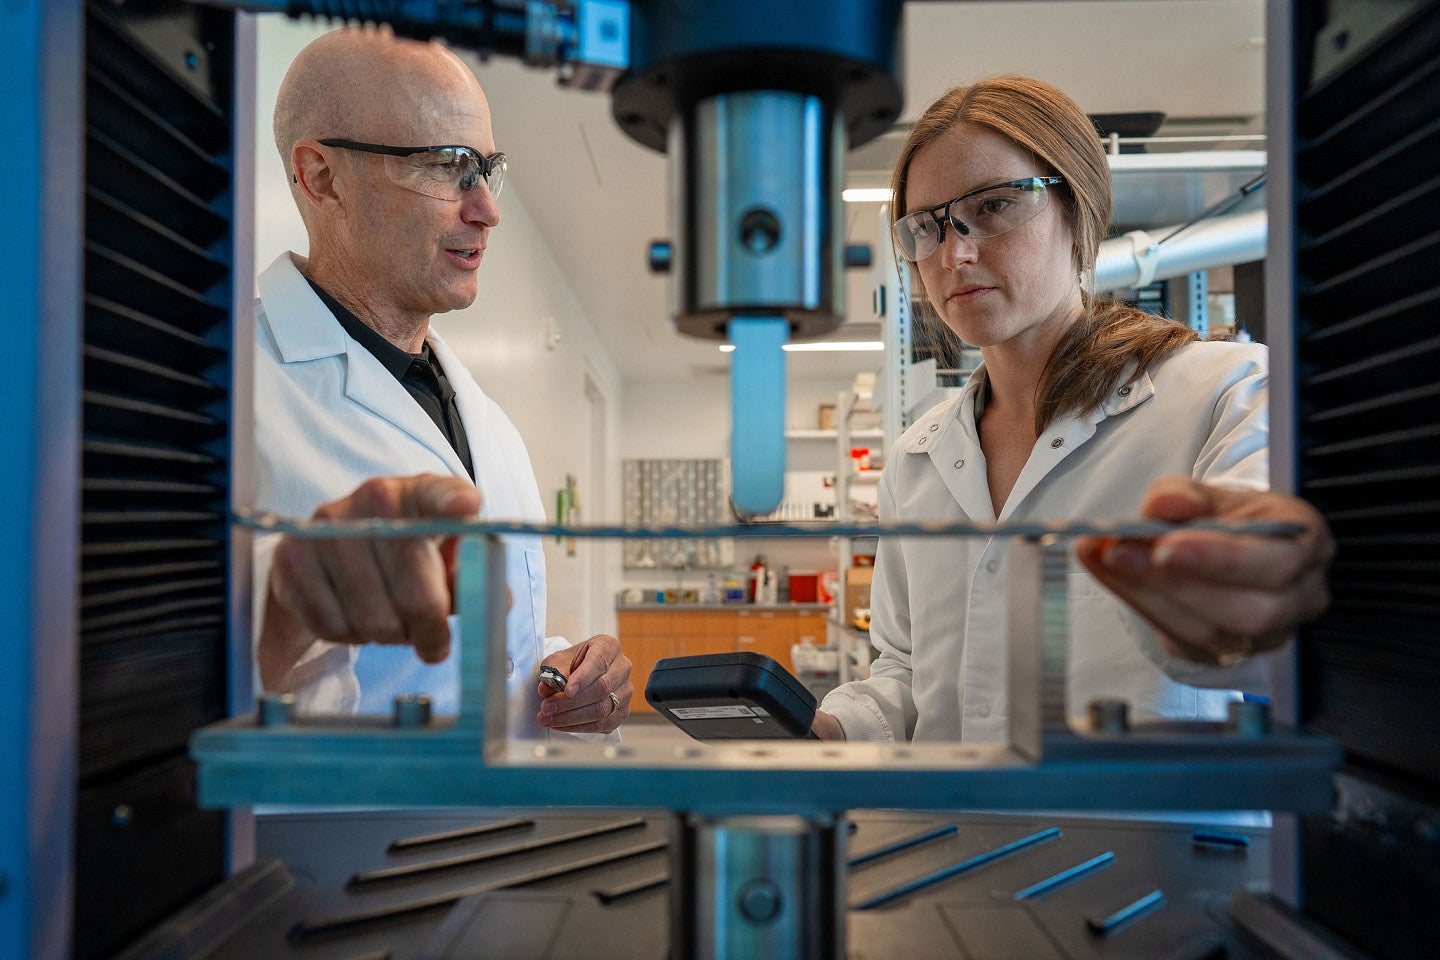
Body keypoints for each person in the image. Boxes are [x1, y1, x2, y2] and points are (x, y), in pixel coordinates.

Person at [813, 76, 1334, 742]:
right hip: (958, 838)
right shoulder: (918, 459)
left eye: (995, 206)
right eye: (926, 226)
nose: (955, 254)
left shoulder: (1225, 393)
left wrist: (1244, 592)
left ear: (1078, 210)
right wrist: (828, 732)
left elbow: (1284, 635)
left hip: (1154, 840)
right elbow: (906, 671)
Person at [253, 26, 631, 736]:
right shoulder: (228, 398)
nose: (485, 208)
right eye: (446, 166)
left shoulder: (488, 424)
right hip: (328, 841)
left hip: (497, 831)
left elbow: (490, 657)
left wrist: (565, 670)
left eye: (487, 168)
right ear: (321, 176)